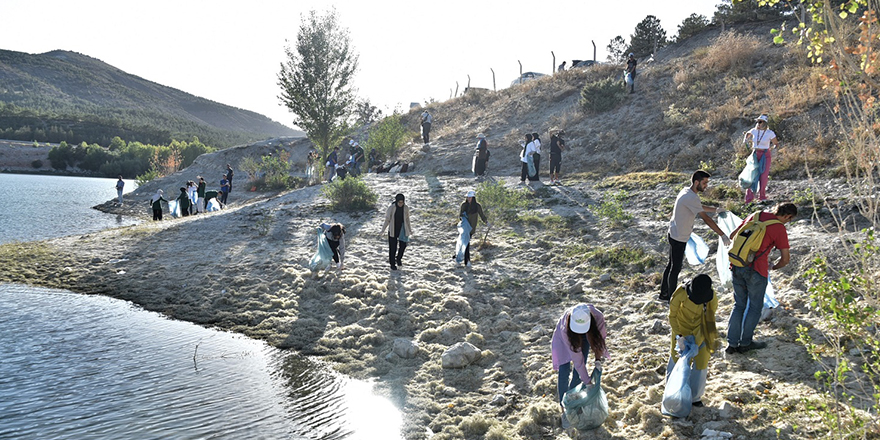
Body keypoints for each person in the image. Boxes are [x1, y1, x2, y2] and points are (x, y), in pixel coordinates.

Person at [726, 202, 797, 354]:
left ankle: (731, 344)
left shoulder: (756, 215)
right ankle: (745, 343)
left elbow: (733, 236)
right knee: (755, 307)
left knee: (739, 305)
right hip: (756, 270)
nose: (787, 222)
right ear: (787, 216)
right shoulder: (779, 228)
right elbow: (785, 259)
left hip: (737, 264)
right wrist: (773, 267)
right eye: (789, 219)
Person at [660, 170, 731, 301]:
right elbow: (707, 219)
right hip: (679, 237)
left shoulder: (687, 192)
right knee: (675, 268)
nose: (706, 186)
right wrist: (722, 235)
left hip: (674, 232)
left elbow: (699, 206)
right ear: (696, 182)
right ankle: (670, 297)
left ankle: (664, 293)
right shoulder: (691, 197)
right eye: (704, 183)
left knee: (671, 265)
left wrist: (715, 210)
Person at [551, 303, 609, 426]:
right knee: (564, 370)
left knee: (578, 374)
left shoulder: (598, 317)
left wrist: (598, 361)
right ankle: (565, 408)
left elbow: (599, 340)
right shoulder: (565, 327)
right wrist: (588, 382)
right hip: (565, 337)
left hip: (587, 332)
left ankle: (573, 402)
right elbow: (578, 361)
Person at [667, 274, 718, 408]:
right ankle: (672, 393)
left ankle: (695, 397)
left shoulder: (711, 297)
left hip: (701, 330)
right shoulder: (680, 293)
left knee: (701, 362)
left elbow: (709, 320)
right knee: (676, 358)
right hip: (681, 328)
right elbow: (672, 316)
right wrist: (679, 337)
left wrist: (699, 340)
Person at [742, 115, 779, 203]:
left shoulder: (770, 133)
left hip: (765, 155)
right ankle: (749, 198)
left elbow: (776, 143)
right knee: (752, 175)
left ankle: (762, 196)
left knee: (763, 175)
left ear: (765, 123)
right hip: (755, 154)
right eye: (757, 121)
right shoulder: (754, 131)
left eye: (760, 122)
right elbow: (747, 135)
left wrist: (773, 149)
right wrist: (745, 141)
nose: (758, 123)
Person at [379, 193, 412, 270]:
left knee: (403, 245)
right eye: (399, 202)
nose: (401, 204)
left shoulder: (406, 208)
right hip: (393, 229)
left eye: (402, 202)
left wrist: (410, 230)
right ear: (396, 201)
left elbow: (407, 219)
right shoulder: (391, 208)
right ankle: (392, 263)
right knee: (393, 248)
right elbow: (387, 219)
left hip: (402, 229)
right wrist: (383, 230)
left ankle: (399, 258)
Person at [458, 190, 489, 267]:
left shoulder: (477, 206)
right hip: (465, 228)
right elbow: (460, 216)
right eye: (468, 197)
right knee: (466, 244)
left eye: (470, 197)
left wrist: (487, 222)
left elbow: (482, 215)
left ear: (473, 198)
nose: (468, 199)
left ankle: (460, 258)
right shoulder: (464, 205)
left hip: (472, 228)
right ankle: (467, 261)